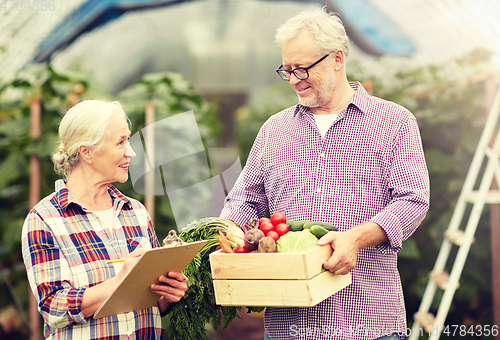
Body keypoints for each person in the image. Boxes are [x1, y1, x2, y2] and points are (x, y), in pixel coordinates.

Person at [220, 7, 430, 340]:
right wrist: (228, 237)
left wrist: (355, 239)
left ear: (337, 58)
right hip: (290, 325)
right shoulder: (274, 130)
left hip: (368, 320)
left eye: (302, 68)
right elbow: (246, 199)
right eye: (286, 70)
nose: (293, 79)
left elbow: (413, 200)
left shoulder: (394, 122)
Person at [21, 100, 188, 339]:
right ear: (86, 151)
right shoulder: (45, 219)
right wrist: (120, 281)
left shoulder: (136, 213)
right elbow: (54, 308)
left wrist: (167, 293)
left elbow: (153, 304)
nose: (130, 152)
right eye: (120, 142)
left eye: (128, 140)